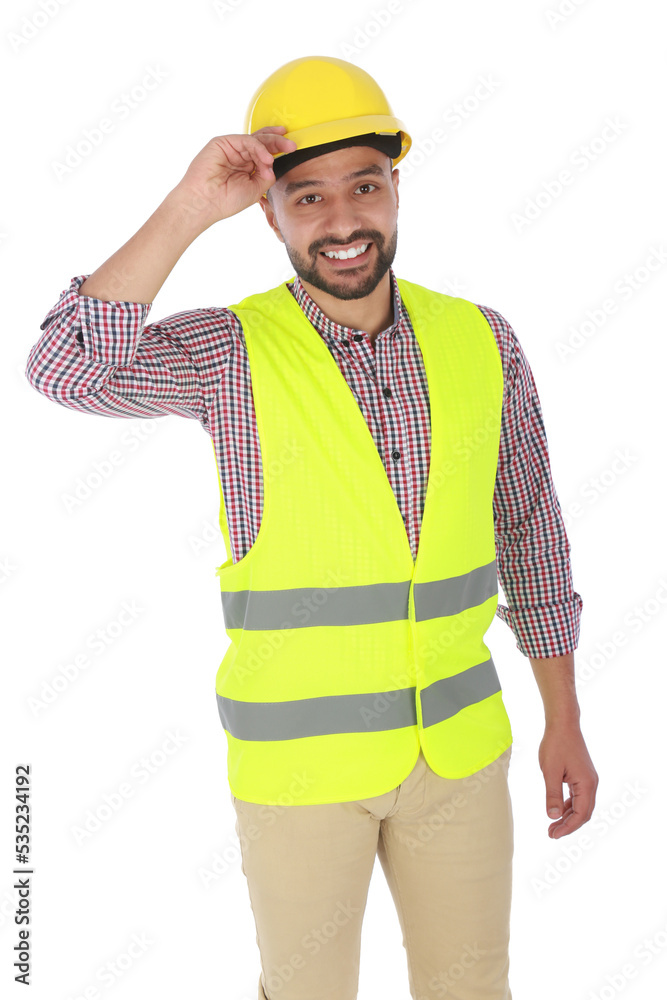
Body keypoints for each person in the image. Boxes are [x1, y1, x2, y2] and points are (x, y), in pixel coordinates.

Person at [26, 55, 598, 1000]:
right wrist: (188, 207)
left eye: (363, 187)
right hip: (299, 771)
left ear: (395, 189)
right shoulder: (228, 352)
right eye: (307, 198)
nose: (341, 221)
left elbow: (532, 536)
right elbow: (66, 369)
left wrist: (563, 718)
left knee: (473, 988)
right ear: (269, 214)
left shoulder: (482, 339)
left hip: (459, 754)